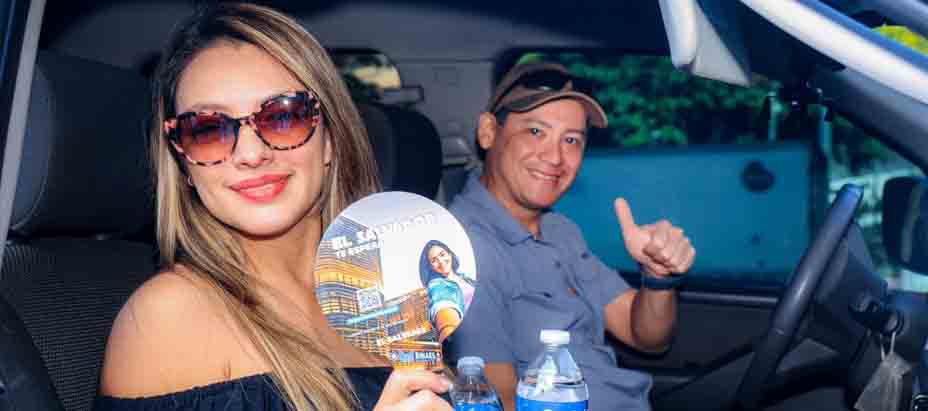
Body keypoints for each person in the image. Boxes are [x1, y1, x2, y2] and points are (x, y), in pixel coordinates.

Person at [95, 3, 451, 411]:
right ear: (184, 162)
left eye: (283, 116)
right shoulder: (166, 317)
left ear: (330, 140)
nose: (251, 154)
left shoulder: (391, 293)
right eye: (208, 130)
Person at [447, 62, 696, 411]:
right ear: (489, 132)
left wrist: (657, 278)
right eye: (536, 131)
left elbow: (645, 336)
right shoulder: (464, 249)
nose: (555, 157)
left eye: (571, 140)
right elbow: (496, 400)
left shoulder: (559, 230)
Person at [418, 240, 476, 342]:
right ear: (431, 267)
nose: (440, 261)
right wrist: (448, 330)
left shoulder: (466, 279)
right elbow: (442, 306)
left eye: (442, 254)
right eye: (434, 260)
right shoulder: (437, 285)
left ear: (450, 254)